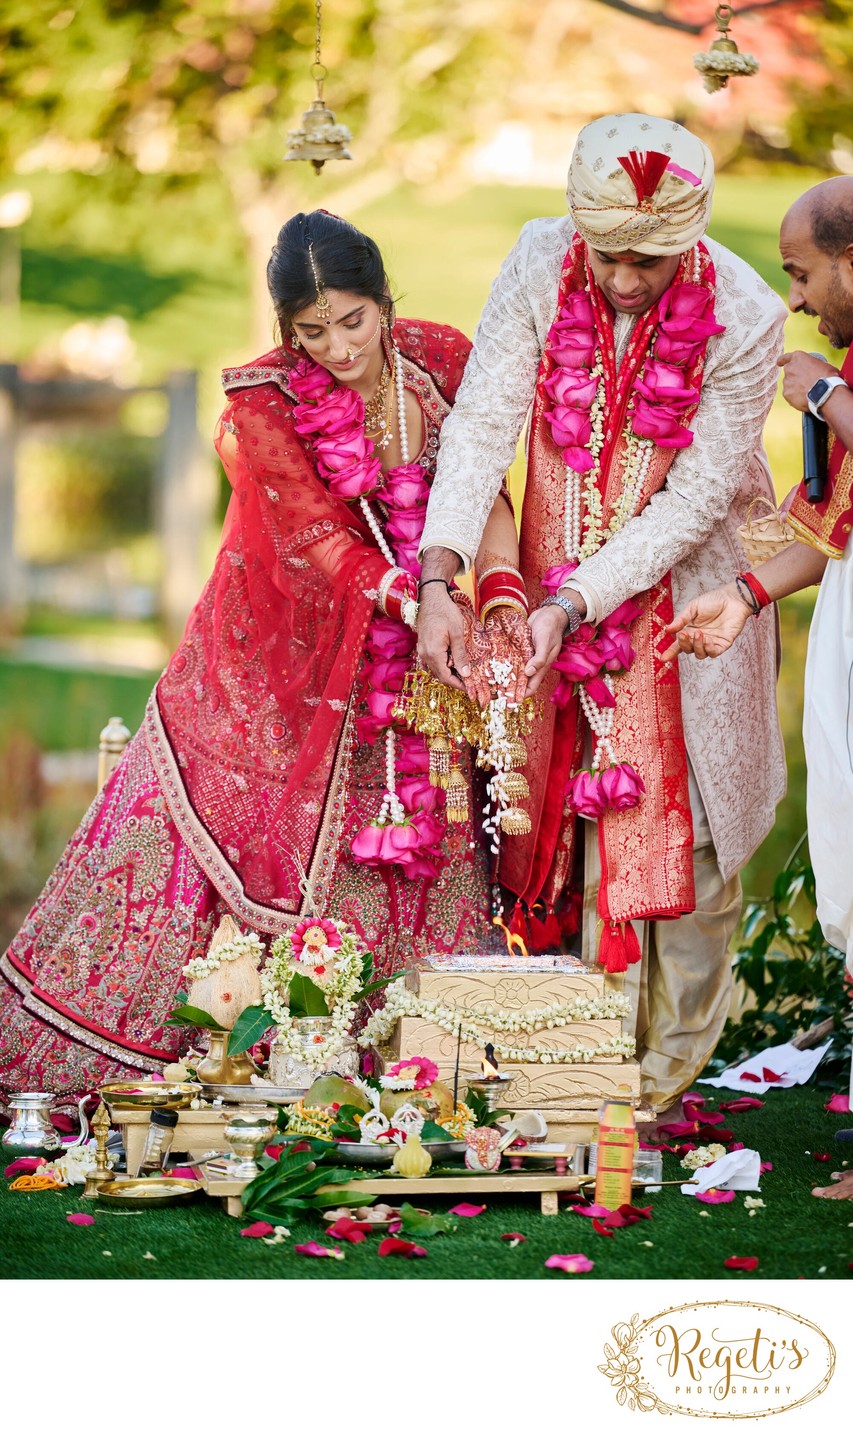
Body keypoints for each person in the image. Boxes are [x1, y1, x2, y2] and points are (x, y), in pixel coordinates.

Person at [0, 210, 519, 1096]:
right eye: (312, 331)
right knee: (251, 825)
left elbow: (483, 487)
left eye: (354, 320)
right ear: (287, 329)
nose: (338, 347)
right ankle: (253, 1061)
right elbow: (315, 535)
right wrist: (415, 596)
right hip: (287, 667)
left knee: (425, 825)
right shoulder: (265, 399)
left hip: (428, 655)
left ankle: (411, 1067)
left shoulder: (442, 361)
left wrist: (493, 594)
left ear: (385, 301)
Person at [417, 114, 787, 1118]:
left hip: (690, 587)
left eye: (651, 260)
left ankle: (660, 1086)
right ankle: (567, 1059)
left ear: (694, 236)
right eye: (609, 255)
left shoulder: (748, 314)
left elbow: (698, 495)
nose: (625, 281)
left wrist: (580, 600)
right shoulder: (539, 260)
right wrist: (441, 574)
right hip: (543, 560)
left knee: (692, 824)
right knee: (560, 798)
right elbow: (486, 418)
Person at [661, 177, 853, 1191]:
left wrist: (821, 393)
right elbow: (831, 529)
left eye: (803, 272)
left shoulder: (835, 380)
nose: (796, 299)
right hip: (845, 621)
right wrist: (741, 596)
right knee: (849, 874)